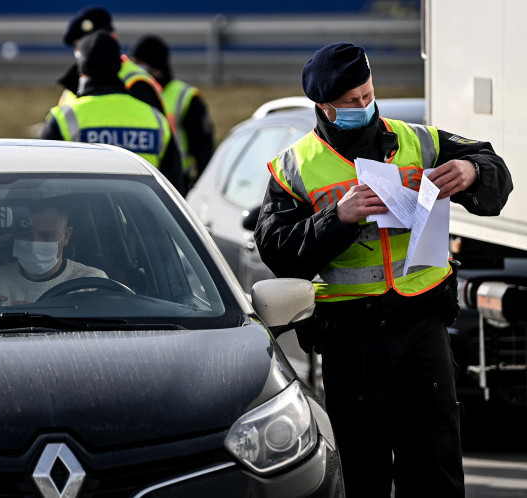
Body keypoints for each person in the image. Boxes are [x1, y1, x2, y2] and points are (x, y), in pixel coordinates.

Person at [253, 42, 512, 497]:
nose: (364, 107)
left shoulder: (418, 140)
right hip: (352, 337)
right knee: (362, 468)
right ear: (324, 108)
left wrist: (472, 171)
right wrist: (339, 217)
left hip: (422, 325)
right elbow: (277, 250)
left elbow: (495, 166)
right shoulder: (294, 167)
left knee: (436, 463)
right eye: (351, 103)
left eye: (368, 95)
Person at [38, 31, 184, 194]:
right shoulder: (156, 119)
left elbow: (39, 184)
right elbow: (176, 190)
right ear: (120, 65)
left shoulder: (64, 118)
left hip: (82, 217)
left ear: (82, 71)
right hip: (142, 217)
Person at [0, 199, 107, 306]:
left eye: (46, 236)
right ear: (14, 234)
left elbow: (104, 336)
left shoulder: (91, 283)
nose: (35, 243)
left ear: (66, 235)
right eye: (25, 234)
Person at [131, 35, 215, 191]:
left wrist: (200, 188)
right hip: (142, 177)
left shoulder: (185, 97)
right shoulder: (135, 92)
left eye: (138, 63)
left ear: (154, 67)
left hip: (178, 181)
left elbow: (203, 148)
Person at [55, 6, 165, 113]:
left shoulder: (137, 83)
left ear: (114, 37)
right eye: (82, 44)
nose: (91, 46)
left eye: (99, 41)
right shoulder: (73, 85)